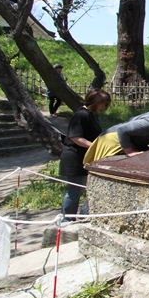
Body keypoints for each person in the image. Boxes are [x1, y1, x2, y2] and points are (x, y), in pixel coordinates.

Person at [59, 89, 112, 220]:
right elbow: (75, 137)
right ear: (95, 102)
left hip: (84, 157)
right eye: (102, 104)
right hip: (74, 158)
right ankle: (66, 219)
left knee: (84, 189)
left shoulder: (91, 115)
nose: (104, 107)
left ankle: (82, 216)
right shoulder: (81, 115)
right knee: (74, 191)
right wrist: (94, 146)